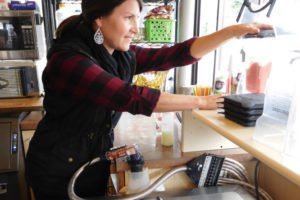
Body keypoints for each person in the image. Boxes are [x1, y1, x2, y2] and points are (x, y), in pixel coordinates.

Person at [25, 0, 273, 199]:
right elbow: (130, 97)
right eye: (128, 17)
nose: (136, 27)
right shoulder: (70, 61)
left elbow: (174, 54)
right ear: (100, 19)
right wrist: (202, 102)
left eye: (137, 18)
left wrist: (231, 32)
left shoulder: (118, 54)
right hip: (57, 169)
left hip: (90, 163)